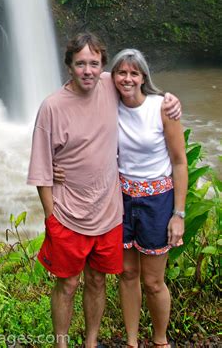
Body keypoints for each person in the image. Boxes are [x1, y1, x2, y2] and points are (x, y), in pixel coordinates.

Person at [27, 32, 181, 348]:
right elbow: (41, 170)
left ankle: (92, 342)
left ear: (102, 67)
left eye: (94, 64)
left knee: (98, 280)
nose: (88, 71)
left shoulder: (110, 85)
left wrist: (171, 98)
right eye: (80, 63)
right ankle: (61, 344)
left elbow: (135, 80)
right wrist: (51, 217)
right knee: (67, 284)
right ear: (69, 65)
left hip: (110, 212)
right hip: (68, 213)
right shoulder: (51, 108)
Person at [111, 49, 187, 348]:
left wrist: (178, 214)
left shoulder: (162, 108)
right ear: (114, 76)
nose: (127, 78)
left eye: (134, 73)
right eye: (122, 72)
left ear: (144, 77)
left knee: (154, 282)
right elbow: (86, 78)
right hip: (122, 199)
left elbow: (180, 162)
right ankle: (131, 342)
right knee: (127, 274)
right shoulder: (109, 104)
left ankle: (160, 341)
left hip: (157, 202)